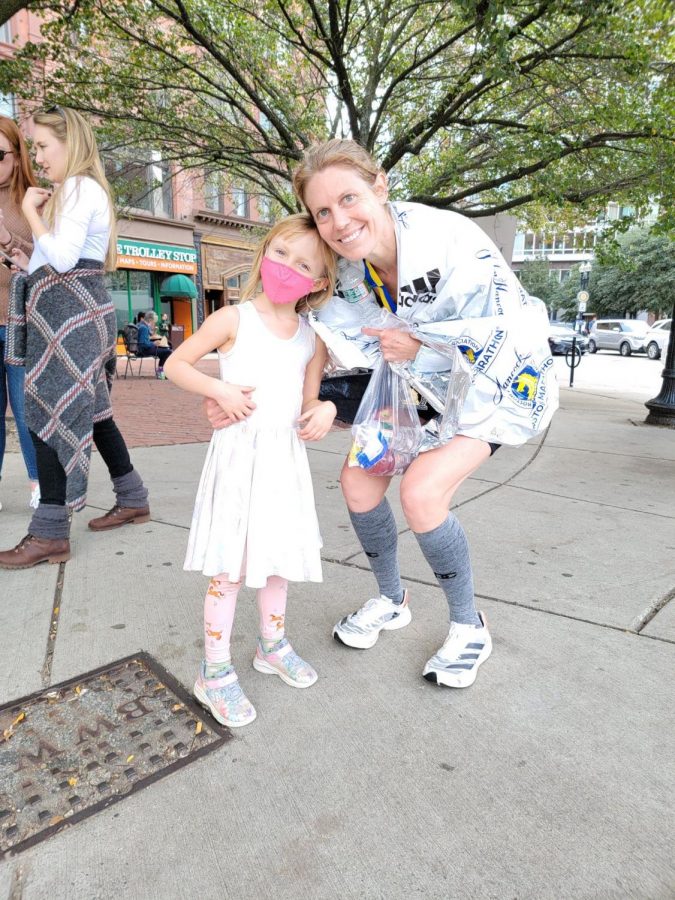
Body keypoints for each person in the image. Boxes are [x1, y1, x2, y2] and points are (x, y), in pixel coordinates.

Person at [209, 138, 558, 690]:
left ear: (380, 186)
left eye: (349, 199)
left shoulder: (451, 242)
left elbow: (511, 335)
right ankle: (392, 600)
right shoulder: (346, 269)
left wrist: (422, 347)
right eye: (323, 211)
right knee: (359, 481)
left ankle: (470, 626)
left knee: (421, 492)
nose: (339, 222)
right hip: (413, 391)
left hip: (499, 389)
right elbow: (302, 331)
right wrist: (237, 391)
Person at [164, 213, 337, 727]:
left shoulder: (313, 337)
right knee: (232, 568)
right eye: (281, 253)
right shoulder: (233, 319)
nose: (287, 267)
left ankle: (272, 645)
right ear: (264, 252)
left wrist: (324, 410)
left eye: (304, 263)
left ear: (319, 282)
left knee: (278, 560)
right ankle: (213, 672)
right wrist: (218, 390)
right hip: (239, 461)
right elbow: (177, 364)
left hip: (284, 461)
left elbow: (310, 398)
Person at [0, 107, 150, 570]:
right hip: (74, 311)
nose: (38, 157)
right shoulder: (76, 191)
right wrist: (24, 258)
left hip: (74, 315)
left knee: (48, 407)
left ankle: (49, 532)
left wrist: (29, 211)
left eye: (43, 146)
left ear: (72, 143)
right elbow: (55, 259)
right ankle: (132, 495)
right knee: (93, 410)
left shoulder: (81, 187)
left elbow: (63, 260)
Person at [0, 116, 40, 511]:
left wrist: (9, 238)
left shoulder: (33, 198)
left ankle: (39, 484)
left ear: (16, 154)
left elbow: (48, 256)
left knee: (28, 410)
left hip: (20, 322)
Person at [137, 310, 172, 378]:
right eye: (153, 321)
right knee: (168, 351)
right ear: (150, 320)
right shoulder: (144, 328)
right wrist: (154, 343)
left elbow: (143, 342)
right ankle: (161, 373)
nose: (153, 323)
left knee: (166, 350)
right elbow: (143, 344)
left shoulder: (142, 326)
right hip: (145, 350)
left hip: (144, 349)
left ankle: (161, 373)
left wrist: (153, 343)